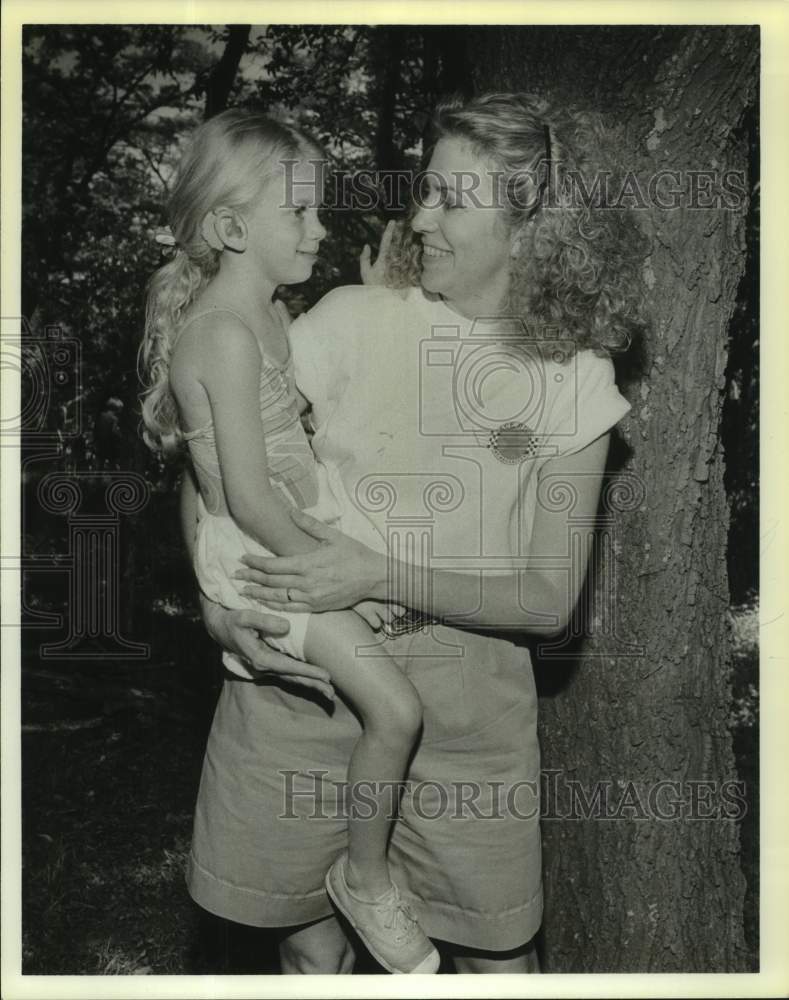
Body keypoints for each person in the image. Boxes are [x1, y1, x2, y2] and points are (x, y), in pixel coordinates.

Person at [184, 92, 647, 974]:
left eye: (450, 199)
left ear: (531, 227)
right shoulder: (353, 317)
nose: (419, 216)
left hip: (469, 713)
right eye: (424, 190)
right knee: (312, 957)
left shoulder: (574, 378)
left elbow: (548, 601)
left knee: (493, 967)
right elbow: (213, 454)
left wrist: (372, 572)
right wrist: (218, 605)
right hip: (304, 686)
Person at [139, 109, 442, 974]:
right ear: (232, 228)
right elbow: (242, 496)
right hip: (265, 559)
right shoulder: (224, 334)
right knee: (396, 708)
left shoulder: (269, 315)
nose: (319, 229)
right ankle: (366, 879)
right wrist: (346, 578)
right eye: (300, 214)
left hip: (289, 537)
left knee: (382, 705)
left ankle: (359, 873)